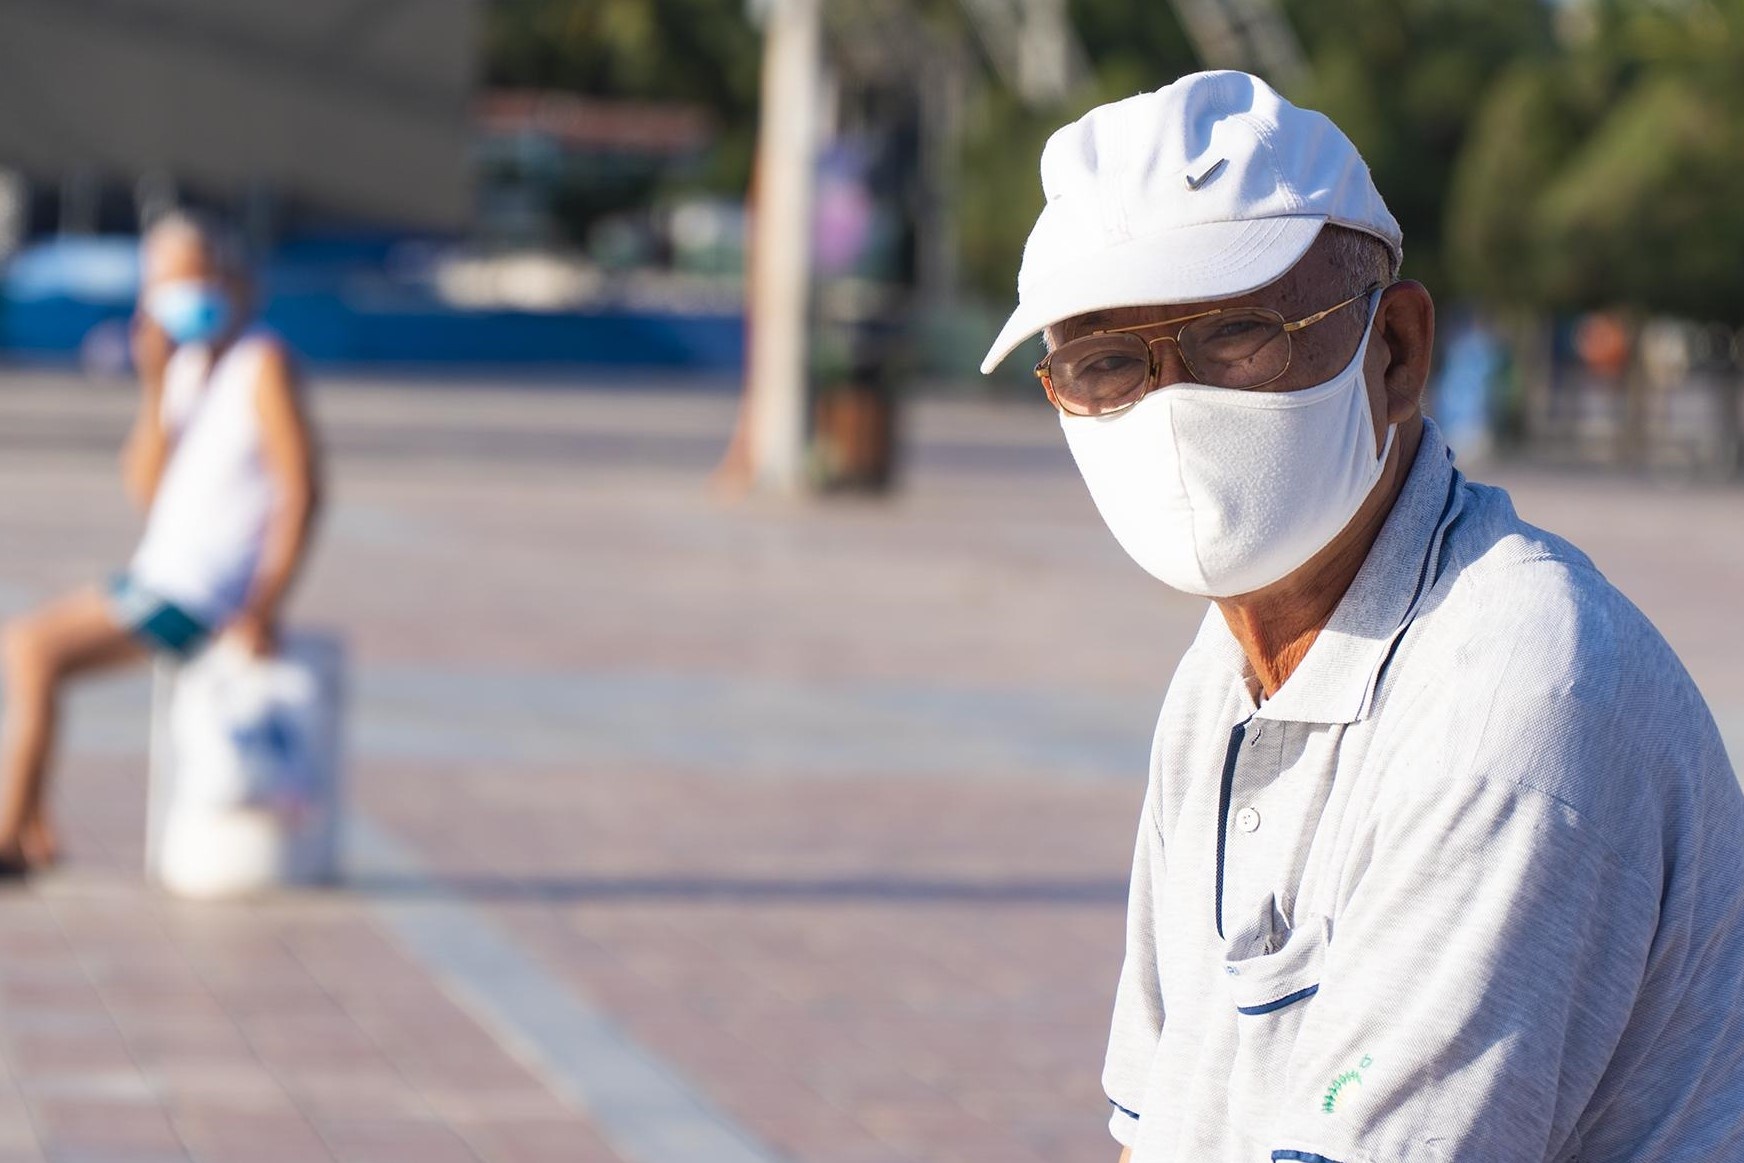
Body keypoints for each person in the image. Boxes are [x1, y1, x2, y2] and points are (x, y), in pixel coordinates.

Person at [979, 71, 1744, 1162]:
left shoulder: (1513, 694)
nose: (1170, 408)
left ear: (1395, 351)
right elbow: (1155, 1124)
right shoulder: (1223, 678)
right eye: (1105, 363)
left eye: (1235, 335)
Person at [0, 212, 321, 876]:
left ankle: (15, 833)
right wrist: (152, 383)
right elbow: (147, 487)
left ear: (229, 277)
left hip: (203, 591)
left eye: (191, 276)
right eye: (164, 281)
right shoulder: (184, 367)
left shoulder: (262, 362)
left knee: (32, 650)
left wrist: (264, 603)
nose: (180, 293)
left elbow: (303, 488)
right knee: (26, 649)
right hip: (161, 574)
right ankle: (31, 832)